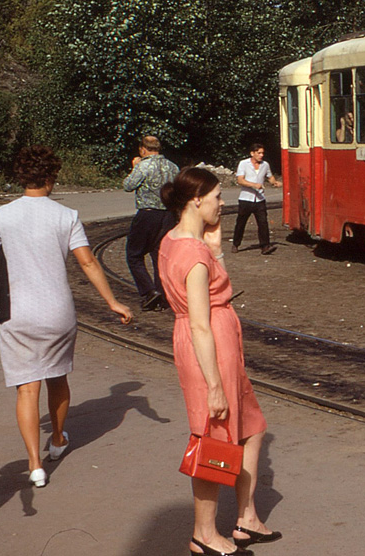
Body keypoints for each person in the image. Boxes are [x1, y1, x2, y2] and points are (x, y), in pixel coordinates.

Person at [0, 146, 133, 488]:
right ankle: (58, 439)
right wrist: (113, 302)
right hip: (57, 311)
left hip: (16, 313)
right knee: (57, 379)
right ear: (50, 178)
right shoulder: (66, 215)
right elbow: (88, 262)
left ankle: (34, 465)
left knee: (26, 390)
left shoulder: (3, 215)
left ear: (21, 177)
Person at [159, 167, 280, 555]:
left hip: (213, 338)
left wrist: (216, 249)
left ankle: (245, 516)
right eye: (216, 197)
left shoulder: (174, 240)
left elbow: (212, 288)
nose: (222, 204)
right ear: (197, 200)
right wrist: (213, 386)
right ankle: (204, 534)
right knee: (212, 437)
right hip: (209, 345)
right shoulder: (192, 254)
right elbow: (199, 324)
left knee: (252, 426)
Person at [123, 135, 180, 311]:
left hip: (148, 214)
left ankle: (149, 291)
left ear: (143, 149)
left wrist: (134, 167)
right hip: (168, 215)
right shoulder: (173, 166)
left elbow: (128, 185)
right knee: (159, 255)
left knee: (134, 254)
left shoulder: (143, 166)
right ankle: (163, 295)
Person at [232, 143, 281, 256]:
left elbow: (270, 176)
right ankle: (236, 243)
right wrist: (254, 185)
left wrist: (274, 182)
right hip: (246, 199)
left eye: (262, 153)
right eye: (258, 153)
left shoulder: (265, 165)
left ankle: (265, 246)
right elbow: (240, 180)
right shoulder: (243, 164)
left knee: (263, 223)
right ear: (252, 153)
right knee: (241, 223)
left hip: (259, 199)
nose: (261, 155)